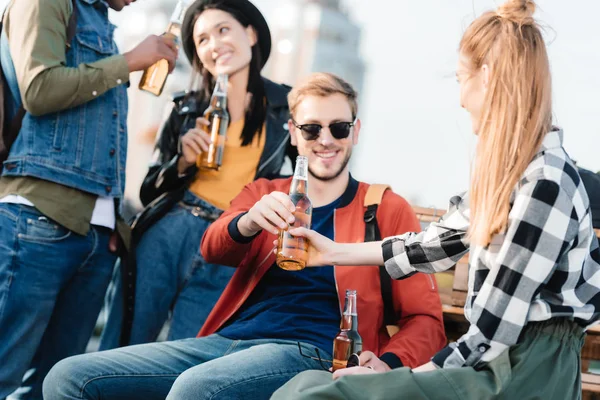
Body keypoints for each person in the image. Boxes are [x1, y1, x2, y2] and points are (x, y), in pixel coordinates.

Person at [42, 72, 446, 400]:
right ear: (292, 132)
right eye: (311, 128)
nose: (325, 140)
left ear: (355, 132)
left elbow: (425, 319)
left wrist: (388, 365)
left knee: (196, 390)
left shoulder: (385, 207)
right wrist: (249, 221)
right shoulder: (265, 192)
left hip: (317, 352)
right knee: (67, 377)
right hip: (228, 342)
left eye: (338, 128)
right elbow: (212, 246)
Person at [271, 2, 600, 400]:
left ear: (488, 78)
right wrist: (333, 252)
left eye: (462, 78)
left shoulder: (545, 184)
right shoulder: (514, 176)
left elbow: (493, 332)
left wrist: (399, 375)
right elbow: (431, 246)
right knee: (305, 386)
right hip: (492, 361)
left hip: (523, 373)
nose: (461, 98)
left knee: (315, 396)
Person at [0, 0, 179, 398]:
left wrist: (109, 218)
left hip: (93, 235)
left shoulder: (99, 19)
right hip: (37, 221)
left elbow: (95, 136)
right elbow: (39, 90)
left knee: (53, 387)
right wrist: (130, 61)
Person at [99, 0, 298, 350]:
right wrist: (181, 162)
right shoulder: (184, 107)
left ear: (250, 34)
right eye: (202, 39)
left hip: (232, 240)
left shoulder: (287, 106)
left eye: (223, 30)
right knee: (122, 348)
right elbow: (148, 191)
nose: (214, 45)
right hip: (168, 233)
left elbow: (307, 176)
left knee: (187, 360)